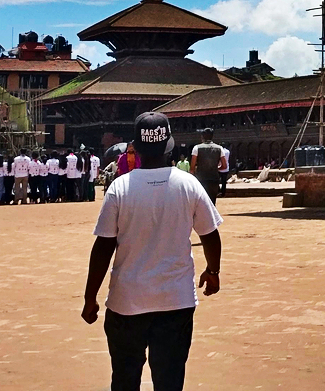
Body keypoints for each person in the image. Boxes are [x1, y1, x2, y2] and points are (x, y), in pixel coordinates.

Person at [82, 112, 221, 391]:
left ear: (137, 147)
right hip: (175, 301)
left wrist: (90, 297)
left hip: (127, 302)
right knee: (169, 381)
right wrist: (212, 271)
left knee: (124, 378)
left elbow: (103, 247)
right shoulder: (188, 184)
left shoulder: (120, 188)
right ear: (169, 145)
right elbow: (210, 235)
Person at [190, 130, 227, 206]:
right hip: (214, 179)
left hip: (201, 179)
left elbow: (192, 168)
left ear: (202, 137)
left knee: (201, 202)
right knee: (212, 203)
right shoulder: (219, 148)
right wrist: (216, 168)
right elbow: (224, 166)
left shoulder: (196, 148)